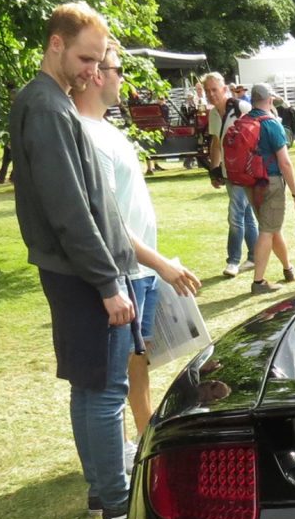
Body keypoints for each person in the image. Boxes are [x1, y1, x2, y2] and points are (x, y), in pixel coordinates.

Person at [9, 1, 138, 519]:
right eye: (87, 58)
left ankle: (101, 487)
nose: (93, 70)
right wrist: (108, 281)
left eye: (99, 60)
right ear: (56, 44)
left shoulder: (49, 102)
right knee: (106, 389)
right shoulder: (45, 106)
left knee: (90, 385)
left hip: (76, 270)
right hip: (81, 273)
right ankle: (115, 497)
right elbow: (69, 206)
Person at [72, 40, 201, 444]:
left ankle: (146, 438)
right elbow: (107, 222)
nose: (122, 79)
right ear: (96, 75)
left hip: (139, 271)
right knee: (118, 371)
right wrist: (161, 264)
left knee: (137, 360)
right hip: (125, 272)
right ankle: (128, 449)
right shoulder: (89, 136)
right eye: (116, 70)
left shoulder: (107, 128)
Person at [242, 83, 295, 295]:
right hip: (271, 182)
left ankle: (288, 269)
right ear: (269, 100)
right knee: (268, 230)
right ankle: (258, 282)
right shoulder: (272, 124)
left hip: (251, 183)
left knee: (271, 226)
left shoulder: (243, 121)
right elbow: (285, 163)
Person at [203, 72, 258, 278]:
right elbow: (216, 142)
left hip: (243, 173)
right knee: (245, 216)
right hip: (228, 172)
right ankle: (254, 257)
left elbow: (255, 137)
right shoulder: (213, 114)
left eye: (214, 90)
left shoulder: (242, 108)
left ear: (224, 89)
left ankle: (233, 261)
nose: (211, 94)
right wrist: (214, 170)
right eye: (207, 91)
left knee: (235, 215)